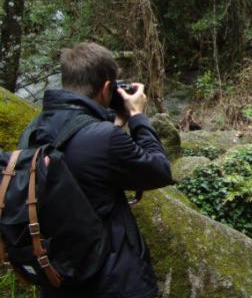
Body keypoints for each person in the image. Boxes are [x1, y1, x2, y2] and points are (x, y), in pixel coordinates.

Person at [28, 42, 173, 298]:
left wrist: (116, 122)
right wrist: (138, 117)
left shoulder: (33, 131)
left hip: (58, 279)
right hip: (113, 282)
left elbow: (86, 169)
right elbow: (160, 169)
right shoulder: (104, 139)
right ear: (107, 87)